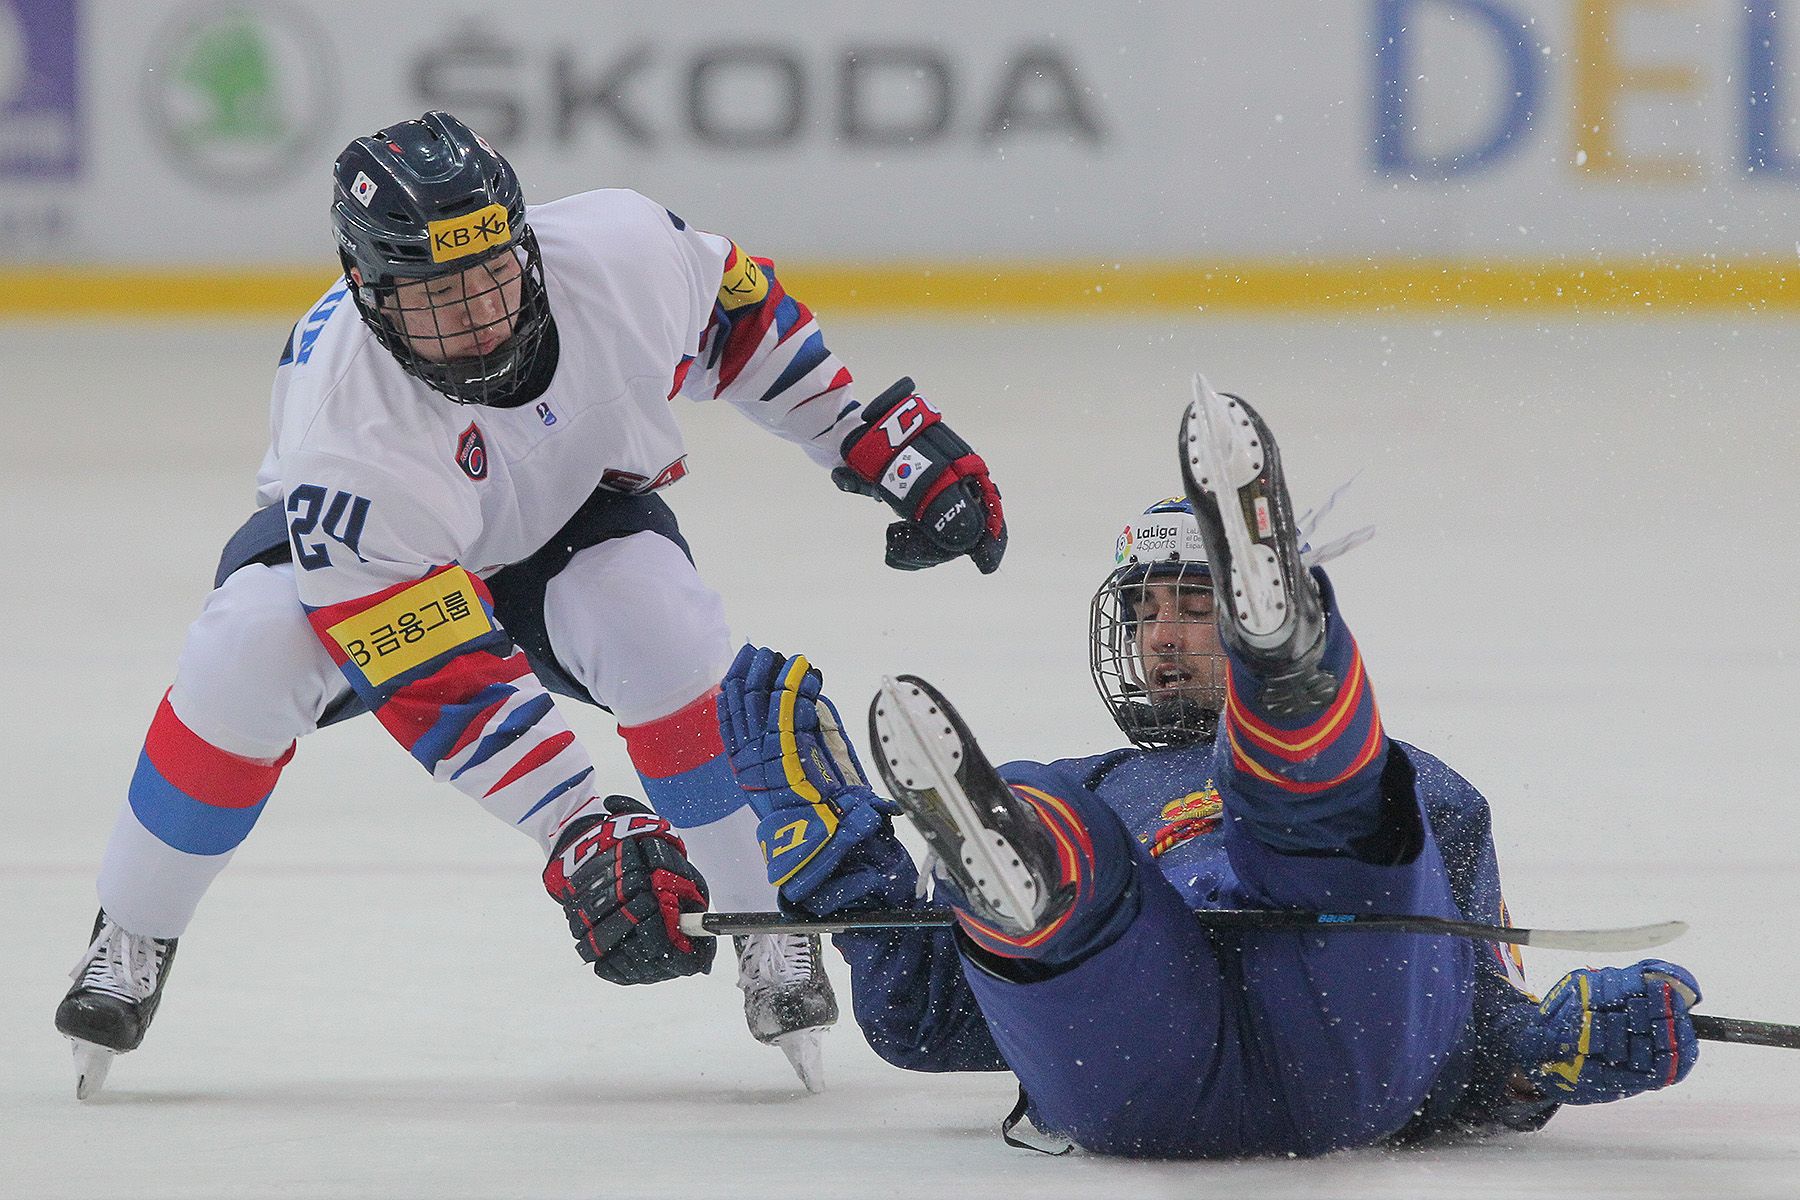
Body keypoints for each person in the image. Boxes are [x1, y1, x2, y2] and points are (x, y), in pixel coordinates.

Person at [53, 111, 1007, 1099]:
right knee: (246, 653)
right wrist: (578, 831)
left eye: (493, 275)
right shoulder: (347, 427)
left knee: (659, 621)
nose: (477, 315)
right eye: (436, 296)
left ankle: (758, 918)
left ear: (527, 247)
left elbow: (741, 323)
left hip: (563, 518)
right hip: (379, 571)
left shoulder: (623, 250)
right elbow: (443, 681)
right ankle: (135, 925)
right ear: (369, 296)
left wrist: (871, 438)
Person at [712, 377, 1700, 1157]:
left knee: (1315, 811)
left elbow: (1458, 1000)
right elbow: (926, 1021)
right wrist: (844, 872)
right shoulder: (1094, 780)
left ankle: (1287, 675)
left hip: (1240, 1060)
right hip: (1205, 1061)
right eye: (1145, 612)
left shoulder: (1430, 791)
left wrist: (1533, 1053)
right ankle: (1272, 699)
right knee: (1040, 804)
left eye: (1196, 606)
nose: (1162, 639)